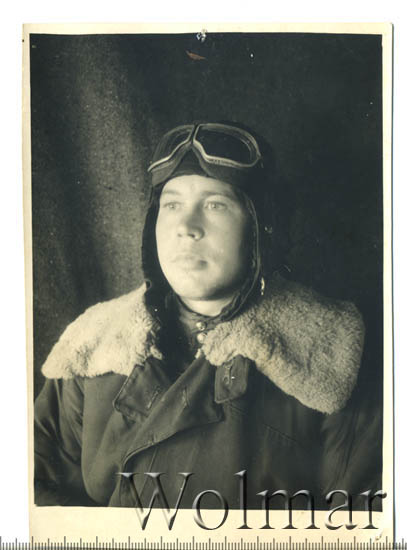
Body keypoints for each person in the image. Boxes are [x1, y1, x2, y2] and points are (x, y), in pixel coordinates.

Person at [34, 122, 382, 510]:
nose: (186, 228)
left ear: (260, 225)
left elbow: (356, 524)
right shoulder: (92, 345)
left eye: (215, 205)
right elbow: (34, 500)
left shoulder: (331, 356)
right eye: (172, 205)